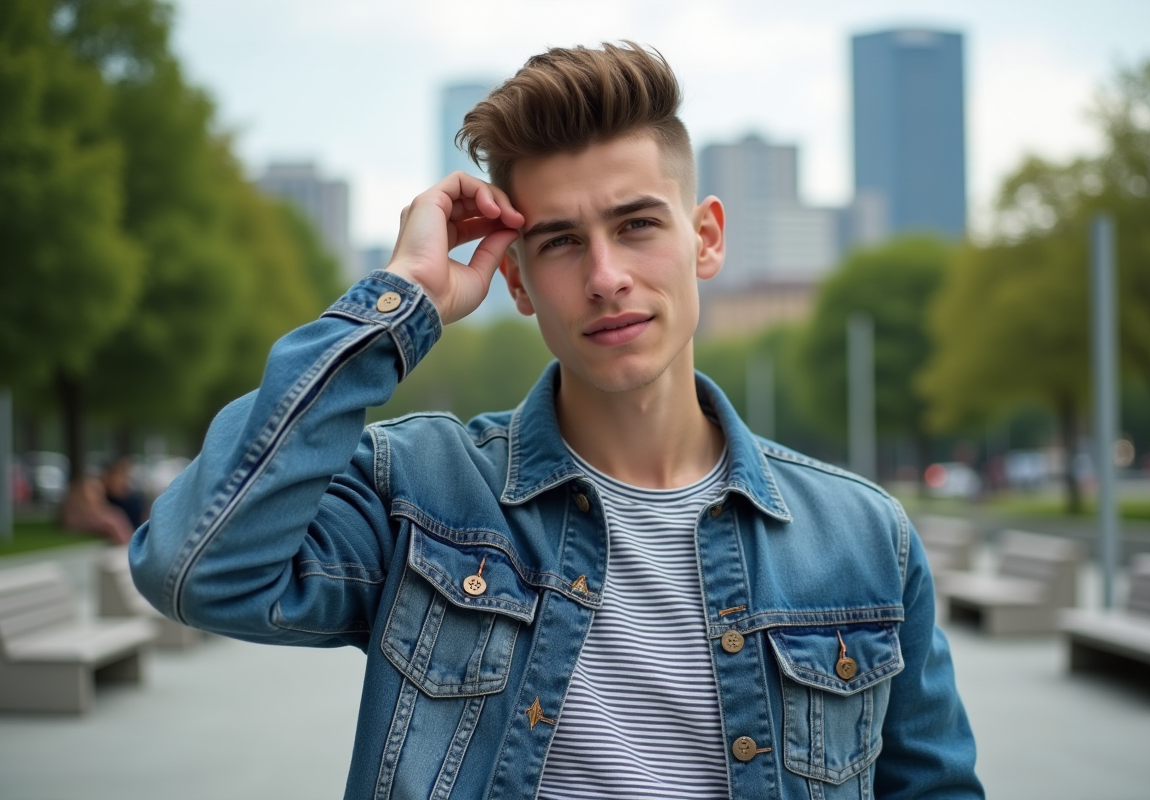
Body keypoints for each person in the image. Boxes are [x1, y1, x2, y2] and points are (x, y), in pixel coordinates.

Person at [131, 42, 982, 800]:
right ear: (518, 281)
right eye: (563, 242)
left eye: (638, 224)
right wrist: (404, 304)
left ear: (706, 239)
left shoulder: (865, 538)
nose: (606, 276)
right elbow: (194, 566)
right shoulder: (421, 492)